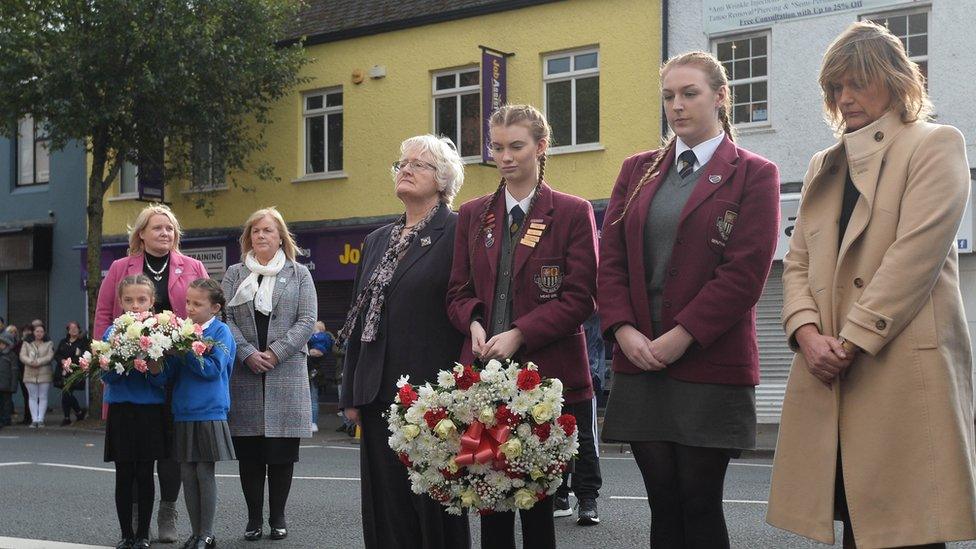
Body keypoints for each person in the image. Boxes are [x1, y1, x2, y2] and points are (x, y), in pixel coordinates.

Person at [767, 22, 976, 549]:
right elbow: (797, 261)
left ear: (897, 81)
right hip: (832, 371)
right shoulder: (825, 162)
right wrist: (805, 333)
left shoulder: (935, 144)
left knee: (909, 532)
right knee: (857, 528)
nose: (845, 98)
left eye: (858, 82)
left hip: (898, 371)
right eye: (836, 87)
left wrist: (852, 338)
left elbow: (915, 257)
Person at [597, 50, 780, 549]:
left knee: (699, 502)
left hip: (709, 362)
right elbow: (609, 261)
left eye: (689, 93)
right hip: (640, 362)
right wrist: (623, 330)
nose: (676, 106)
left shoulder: (754, 173)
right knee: (662, 502)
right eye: (669, 96)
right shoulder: (635, 170)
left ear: (721, 97)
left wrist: (682, 336)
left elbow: (744, 273)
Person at [447, 104, 599, 549]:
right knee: (490, 500)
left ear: (541, 146)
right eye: (497, 147)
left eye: (516, 146)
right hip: (483, 380)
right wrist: (474, 321)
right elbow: (456, 291)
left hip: (547, 376)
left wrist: (521, 332)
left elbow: (581, 297)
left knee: (538, 505)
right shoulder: (473, 214)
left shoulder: (573, 212)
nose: (505, 156)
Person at [339, 134, 469, 549]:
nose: (406, 169)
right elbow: (360, 320)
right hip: (378, 392)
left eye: (420, 164)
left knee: (435, 505)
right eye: (402, 162)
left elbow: (465, 309)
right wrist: (350, 392)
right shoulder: (377, 239)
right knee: (385, 506)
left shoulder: (457, 230)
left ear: (443, 179)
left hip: (432, 395)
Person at [95, 203, 208, 543]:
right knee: (132, 455)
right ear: (141, 233)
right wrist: (105, 357)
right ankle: (133, 519)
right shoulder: (119, 268)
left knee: (171, 447)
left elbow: (201, 319)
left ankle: (167, 510)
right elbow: (103, 313)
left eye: (170, 228)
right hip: (127, 371)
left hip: (175, 371)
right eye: (157, 228)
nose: (165, 233)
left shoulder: (192, 266)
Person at [223, 207, 316, 542]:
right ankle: (253, 519)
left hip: (285, 371)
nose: (261, 236)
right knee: (250, 455)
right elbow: (226, 320)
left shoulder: (299, 273)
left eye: (268, 231)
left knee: (280, 455)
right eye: (255, 231)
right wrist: (247, 353)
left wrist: (276, 352)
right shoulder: (235, 274)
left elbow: (307, 320)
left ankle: (278, 517)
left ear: (280, 237)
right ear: (248, 238)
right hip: (246, 373)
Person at [157, 278, 237, 549]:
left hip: (210, 409)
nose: (189, 308)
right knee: (187, 473)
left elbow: (213, 369)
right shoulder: (184, 331)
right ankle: (195, 533)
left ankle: (207, 533)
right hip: (183, 410)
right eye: (188, 302)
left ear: (214, 308)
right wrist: (158, 359)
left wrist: (185, 349)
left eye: (197, 303)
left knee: (204, 472)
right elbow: (169, 376)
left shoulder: (221, 331)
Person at [103, 275, 170, 549]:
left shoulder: (161, 333)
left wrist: (153, 365)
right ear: (120, 302)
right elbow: (107, 377)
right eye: (128, 300)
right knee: (123, 474)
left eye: (142, 300)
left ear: (152, 302)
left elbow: (162, 380)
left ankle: (143, 534)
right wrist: (121, 360)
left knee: (144, 473)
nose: (135, 305)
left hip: (149, 413)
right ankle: (125, 534)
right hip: (121, 411)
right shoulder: (112, 332)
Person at [553, 311, 605, 524]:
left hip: (585, 367)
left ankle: (587, 498)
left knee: (583, 435)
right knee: (555, 431)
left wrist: (592, 372)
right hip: (555, 362)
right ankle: (560, 494)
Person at [54, 321, 90, 425]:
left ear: (79, 329)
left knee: (66, 392)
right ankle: (73, 414)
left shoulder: (82, 342)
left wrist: (70, 363)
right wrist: (62, 361)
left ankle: (73, 414)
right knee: (65, 393)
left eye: (75, 328)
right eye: (71, 328)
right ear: (68, 330)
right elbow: (57, 355)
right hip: (62, 371)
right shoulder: (63, 342)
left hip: (75, 371)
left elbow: (84, 355)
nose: (73, 330)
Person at [20, 324, 54, 428]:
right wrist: (31, 361)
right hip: (30, 373)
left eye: (41, 331)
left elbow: (50, 356)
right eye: (37, 331)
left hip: (44, 373)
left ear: (44, 333)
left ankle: (41, 419)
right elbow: (22, 355)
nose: (39, 333)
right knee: (32, 397)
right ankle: (34, 419)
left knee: (43, 396)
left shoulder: (49, 344)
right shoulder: (26, 344)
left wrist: (38, 361)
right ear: (33, 333)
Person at [307, 321, 334, 433]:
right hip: (318, 373)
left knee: (312, 398)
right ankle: (313, 422)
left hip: (311, 372)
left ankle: (311, 422)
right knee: (314, 399)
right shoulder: (327, 341)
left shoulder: (313, 339)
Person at [0, 332, 18, 428]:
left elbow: (14, 372)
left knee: (6, 403)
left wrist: (13, 386)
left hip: (6, 384)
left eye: (2, 343)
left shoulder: (11, 355)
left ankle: (6, 419)